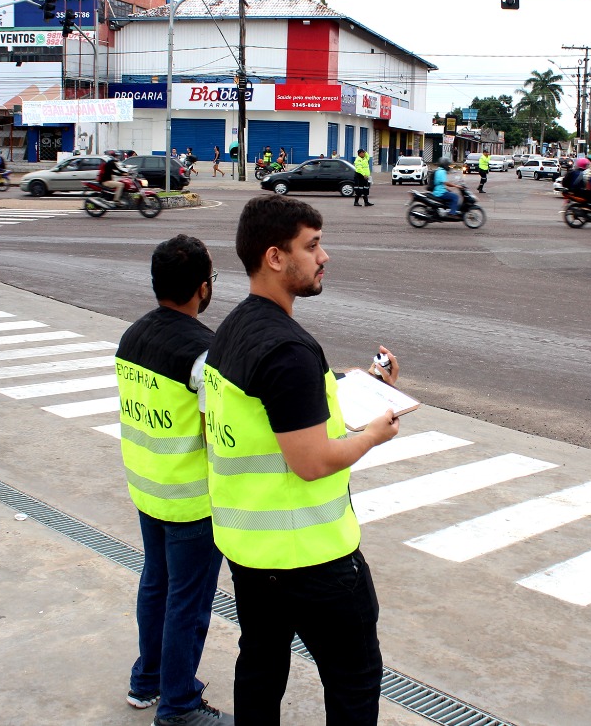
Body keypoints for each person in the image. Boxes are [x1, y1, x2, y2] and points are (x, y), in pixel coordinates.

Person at [204, 195, 400, 724]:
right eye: (312, 246)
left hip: (252, 555)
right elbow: (311, 461)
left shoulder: (234, 331)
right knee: (354, 682)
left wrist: (360, 386)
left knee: (261, 670)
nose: (324, 257)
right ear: (274, 257)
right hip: (314, 561)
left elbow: (278, 411)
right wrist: (375, 435)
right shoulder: (289, 350)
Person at [117, 235, 232, 726]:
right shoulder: (202, 354)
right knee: (189, 602)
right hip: (190, 500)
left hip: (147, 487)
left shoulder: (132, 335)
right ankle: (179, 704)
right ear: (202, 288)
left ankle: (148, 680)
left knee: (156, 585)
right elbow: (220, 430)